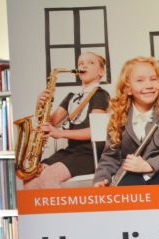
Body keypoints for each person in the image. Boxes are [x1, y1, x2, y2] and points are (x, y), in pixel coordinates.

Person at [93, 57, 159, 196]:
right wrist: (102, 178)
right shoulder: (118, 117)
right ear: (128, 89)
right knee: (125, 207)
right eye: (140, 80)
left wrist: (148, 166)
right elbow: (110, 157)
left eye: (153, 79)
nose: (148, 85)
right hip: (129, 175)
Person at [23, 51, 110, 189]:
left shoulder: (100, 95)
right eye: (81, 63)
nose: (84, 65)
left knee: (48, 176)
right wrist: (40, 104)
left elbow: (94, 132)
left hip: (89, 154)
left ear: (101, 71)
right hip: (71, 151)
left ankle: (59, 211)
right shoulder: (71, 97)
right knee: (30, 177)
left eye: (90, 63)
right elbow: (50, 123)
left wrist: (60, 133)